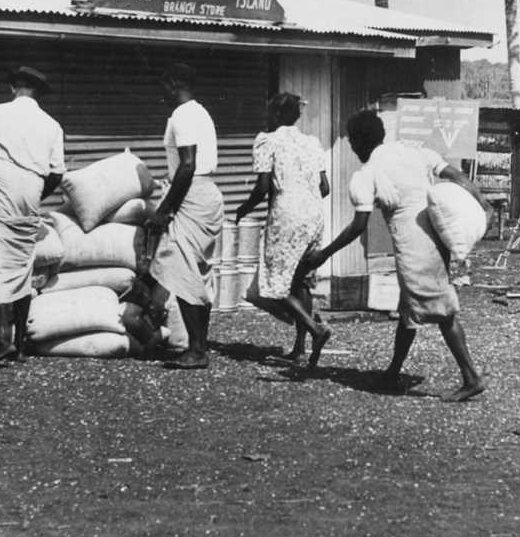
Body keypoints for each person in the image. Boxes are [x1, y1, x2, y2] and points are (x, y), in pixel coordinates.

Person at [299, 110, 488, 402]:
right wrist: (480, 200)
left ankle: (471, 377)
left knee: (442, 310)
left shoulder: (367, 174)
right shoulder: (412, 151)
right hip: (435, 237)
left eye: (351, 142)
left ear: (359, 142)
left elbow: (357, 227)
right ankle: (392, 372)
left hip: (413, 247)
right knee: (408, 308)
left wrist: (323, 254)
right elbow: (456, 175)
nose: (352, 148)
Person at [0, 66, 65, 367]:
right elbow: (58, 172)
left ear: (13, 87)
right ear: (38, 93)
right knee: (23, 265)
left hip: (2, 183)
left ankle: (1, 341)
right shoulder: (51, 124)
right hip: (32, 188)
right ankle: (21, 345)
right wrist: (35, 194)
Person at [235, 92, 332, 365]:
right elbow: (325, 188)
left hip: (286, 216)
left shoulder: (267, 141)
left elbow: (262, 188)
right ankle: (301, 349)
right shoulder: (312, 143)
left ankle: (316, 330)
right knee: (299, 280)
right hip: (314, 216)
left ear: (276, 115)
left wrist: (243, 209)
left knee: (276, 283)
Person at [144, 63, 224, 370]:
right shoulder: (201, 112)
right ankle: (199, 345)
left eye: (165, 86)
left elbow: (187, 165)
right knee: (197, 272)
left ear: (175, 83)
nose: (162, 94)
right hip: (207, 194)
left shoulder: (183, 115)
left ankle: (196, 349)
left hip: (192, 195)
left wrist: (165, 211)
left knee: (182, 268)